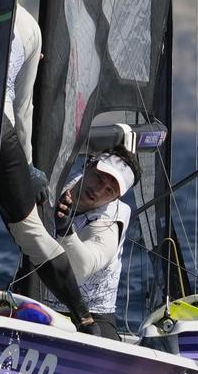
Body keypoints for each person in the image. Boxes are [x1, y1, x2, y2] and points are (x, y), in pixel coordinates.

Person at [0, 5, 100, 333]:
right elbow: (22, 106)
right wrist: (28, 167)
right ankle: (84, 318)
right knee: (30, 233)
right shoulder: (27, 25)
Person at [40, 145, 141, 340]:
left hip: (91, 319)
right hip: (35, 301)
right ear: (88, 165)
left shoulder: (111, 222)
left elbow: (83, 266)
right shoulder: (59, 180)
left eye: (109, 190)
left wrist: (66, 230)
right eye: (99, 178)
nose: (97, 190)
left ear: (116, 198)